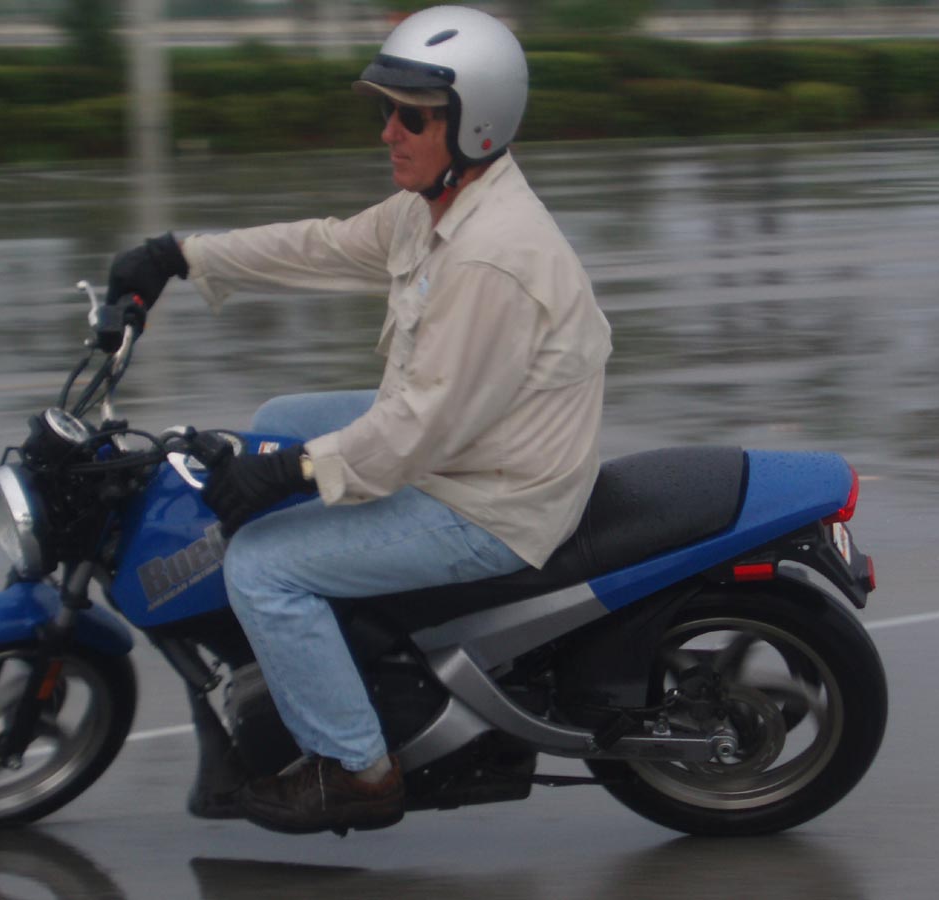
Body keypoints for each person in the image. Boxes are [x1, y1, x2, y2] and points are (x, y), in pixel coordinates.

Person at [105, 5, 611, 834]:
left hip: (493, 500)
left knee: (261, 566)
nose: (389, 132)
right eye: (386, 111)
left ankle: (356, 772)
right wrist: (182, 256)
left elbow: (415, 432)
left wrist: (293, 472)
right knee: (279, 419)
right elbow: (326, 245)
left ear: (474, 124)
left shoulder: (492, 256)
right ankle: (330, 640)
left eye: (412, 116)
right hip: (476, 442)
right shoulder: (439, 206)